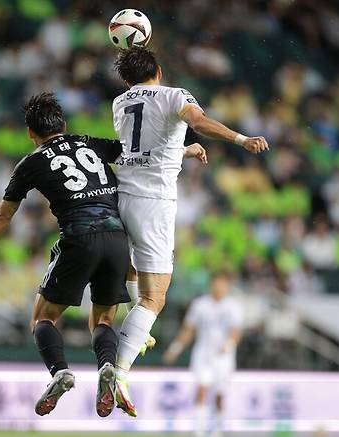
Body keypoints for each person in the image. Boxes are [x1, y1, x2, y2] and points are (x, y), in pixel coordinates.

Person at [0, 92, 209, 417]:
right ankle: (107, 367)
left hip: (79, 237)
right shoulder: (89, 142)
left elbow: (3, 214)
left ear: (31, 133)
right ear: (64, 125)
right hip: (116, 237)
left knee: (43, 317)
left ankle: (60, 372)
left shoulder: (31, 163)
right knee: (103, 319)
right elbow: (140, 158)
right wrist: (184, 150)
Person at [110, 47, 268, 416]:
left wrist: (183, 150)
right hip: (154, 205)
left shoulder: (119, 103)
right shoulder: (174, 95)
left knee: (133, 275)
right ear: (159, 71)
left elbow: (141, 150)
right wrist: (241, 140)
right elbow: (198, 121)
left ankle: (135, 331)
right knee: (155, 298)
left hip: (122, 198)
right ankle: (118, 371)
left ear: (126, 80)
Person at [163, 271, 243, 437]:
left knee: (220, 394)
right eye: (216, 283)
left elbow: (236, 331)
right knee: (201, 389)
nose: (218, 287)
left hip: (223, 357)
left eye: (222, 284)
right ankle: (199, 430)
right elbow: (189, 329)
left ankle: (217, 430)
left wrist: (229, 344)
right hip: (203, 354)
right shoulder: (200, 304)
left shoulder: (233, 306)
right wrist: (175, 349)